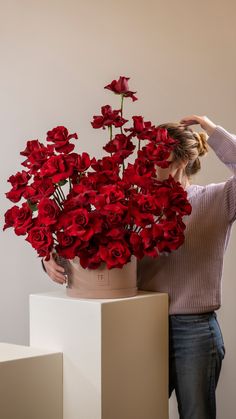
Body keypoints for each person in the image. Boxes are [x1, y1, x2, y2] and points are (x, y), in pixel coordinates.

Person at [42, 115, 236, 419]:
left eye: (158, 154)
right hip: (138, 324)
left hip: (195, 331)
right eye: (147, 153)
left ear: (181, 160)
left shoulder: (217, 199)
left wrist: (212, 129)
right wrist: (50, 256)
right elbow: (88, 241)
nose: (148, 161)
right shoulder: (132, 206)